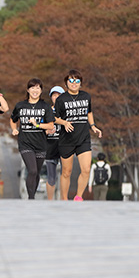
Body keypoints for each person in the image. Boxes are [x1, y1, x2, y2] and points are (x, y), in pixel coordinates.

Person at [54, 70, 102, 201]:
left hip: (83, 138)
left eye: (77, 81)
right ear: (66, 83)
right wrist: (64, 122)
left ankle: (78, 197)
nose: (74, 83)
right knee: (66, 172)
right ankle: (64, 199)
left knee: (86, 170)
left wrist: (93, 126)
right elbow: (54, 118)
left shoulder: (86, 96)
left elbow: (89, 112)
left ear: (80, 84)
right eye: (71, 81)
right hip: (66, 139)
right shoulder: (61, 99)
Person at [10, 78, 55, 200]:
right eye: (32, 88)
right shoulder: (20, 105)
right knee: (33, 171)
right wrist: (14, 129)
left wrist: (37, 125)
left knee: (36, 174)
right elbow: (13, 119)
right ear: (28, 90)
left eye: (38, 88)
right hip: (25, 144)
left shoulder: (45, 106)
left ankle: (32, 197)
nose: (35, 90)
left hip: (41, 145)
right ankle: (31, 199)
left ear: (41, 90)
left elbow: (51, 125)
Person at [45, 86, 64, 201]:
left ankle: (63, 199)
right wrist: (46, 131)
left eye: (59, 95)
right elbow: (40, 127)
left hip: (64, 146)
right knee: (51, 177)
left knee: (65, 175)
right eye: (54, 95)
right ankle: (50, 201)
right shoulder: (46, 110)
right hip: (50, 146)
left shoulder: (67, 111)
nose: (56, 97)